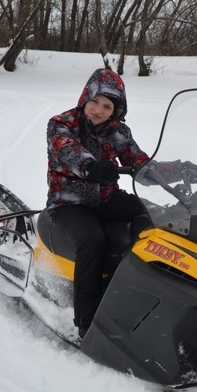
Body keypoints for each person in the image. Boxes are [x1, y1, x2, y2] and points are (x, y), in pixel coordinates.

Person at [46, 68, 151, 339]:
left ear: (115, 111)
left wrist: (176, 170)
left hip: (106, 199)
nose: (98, 110)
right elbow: (67, 150)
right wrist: (90, 166)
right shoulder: (62, 123)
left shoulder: (118, 132)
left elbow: (139, 162)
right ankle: (87, 322)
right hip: (69, 202)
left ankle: (135, 278)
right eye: (94, 101)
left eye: (107, 106)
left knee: (154, 215)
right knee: (93, 239)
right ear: (85, 98)